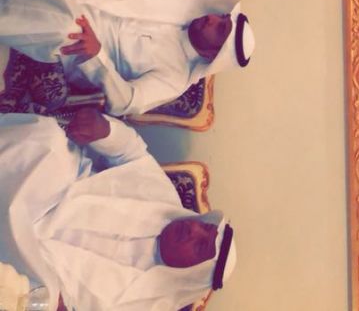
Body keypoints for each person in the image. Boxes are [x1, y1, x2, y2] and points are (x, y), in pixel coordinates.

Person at [0, 109, 236, 311]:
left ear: (190, 274)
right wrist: (106, 131)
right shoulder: (164, 197)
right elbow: (131, 152)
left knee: (37, 300)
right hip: (55, 195)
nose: (193, 229)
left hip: (38, 266)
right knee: (49, 141)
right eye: (204, 227)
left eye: (199, 245)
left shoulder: (148, 305)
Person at [0, 0, 256, 114]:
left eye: (219, 28)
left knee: (62, 27)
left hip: (82, 42)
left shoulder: (174, 78)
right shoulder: (182, 0)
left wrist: (97, 56)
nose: (212, 18)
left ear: (212, 54)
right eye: (222, 18)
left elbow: (127, 101)